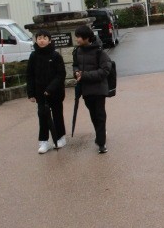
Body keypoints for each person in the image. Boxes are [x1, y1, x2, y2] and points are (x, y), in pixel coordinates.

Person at [73, 25, 112, 153]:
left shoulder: (99, 51)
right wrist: (76, 72)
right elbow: (75, 65)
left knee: (100, 114)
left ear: (87, 37)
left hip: (99, 89)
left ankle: (101, 143)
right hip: (86, 90)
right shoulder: (77, 51)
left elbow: (105, 70)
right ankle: (100, 134)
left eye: (79, 37)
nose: (77, 39)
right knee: (93, 114)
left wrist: (84, 75)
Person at [26, 29, 67, 154]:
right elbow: (29, 75)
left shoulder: (56, 56)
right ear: (36, 40)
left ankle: (60, 137)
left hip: (56, 92)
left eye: (44, 38)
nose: (41, 40)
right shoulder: (33, 56)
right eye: (39, 38)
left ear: (49, 40)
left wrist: (50, 88)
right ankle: (44, 141)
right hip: (40, 93)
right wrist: (30, 93)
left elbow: (61, 74)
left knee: (57, 114)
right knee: (42, 116)